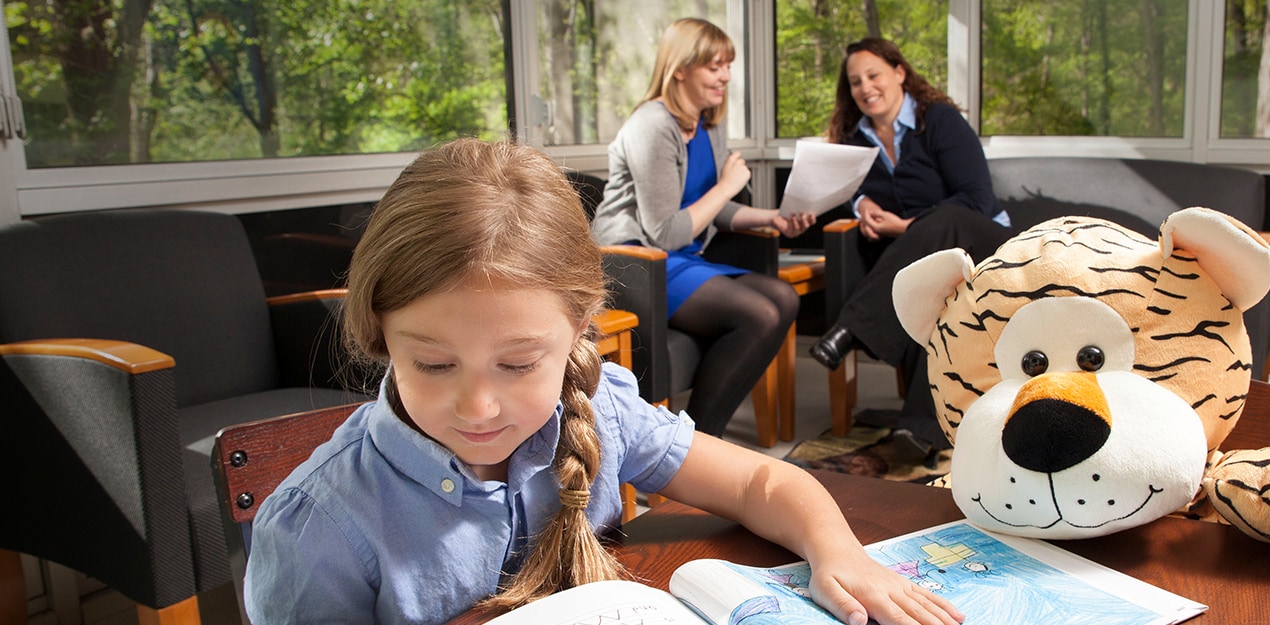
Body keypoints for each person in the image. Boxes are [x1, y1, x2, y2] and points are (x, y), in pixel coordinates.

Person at [242, 137, 964, 625]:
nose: (479, 406)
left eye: (519, 363)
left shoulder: (601, 408)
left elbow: (760, 481)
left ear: (582, 328)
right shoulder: (318, 530)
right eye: (433, 364)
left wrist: (837, 552)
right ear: (379, 333)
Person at [590, 17, 814, 436]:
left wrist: (773, 218)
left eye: (728, 66)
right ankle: (696, 443)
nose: (726, 76)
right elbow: (666, 231)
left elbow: (708, 207)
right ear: (680, 69)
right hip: (635, 261)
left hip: (677, 257)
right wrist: (728, 184)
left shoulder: (708, 123)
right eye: (715, 66)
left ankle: (697, 439)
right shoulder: (652, 125)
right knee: (760, 314)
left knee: (784, 298)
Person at [809, 37, 1013, 463]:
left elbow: (976, 199)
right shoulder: (854, 139)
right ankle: (917, 431)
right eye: (855, 82)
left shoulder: (938, 120)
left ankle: (852, 327)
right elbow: (845, 190)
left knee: (947, 219)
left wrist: (903, 226)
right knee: (939, 300)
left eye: (874, 75)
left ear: (899, 73)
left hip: (988, 246)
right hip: (933, 262)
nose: (866, 88)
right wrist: (861, 205)